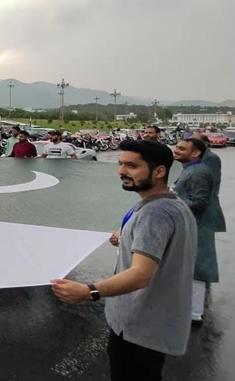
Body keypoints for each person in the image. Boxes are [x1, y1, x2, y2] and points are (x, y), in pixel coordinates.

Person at [52, 140, 197, 381]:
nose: (121, 171)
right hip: (154, 326)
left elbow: (141, 274)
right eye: (120, 164)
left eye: (132, 165)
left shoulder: (155, 213)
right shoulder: (173, 204)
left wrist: (88, 291)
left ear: (159, 171)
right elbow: (165, 248)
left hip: (139, 329)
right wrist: (127, 239)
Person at [172, 138, 217, 323]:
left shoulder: (197, 172)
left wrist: (171, 200)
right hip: (191, 224)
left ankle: (194, 312)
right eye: (176, 147)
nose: (176, 150)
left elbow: (198, 203)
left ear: (196, 153)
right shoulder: (190, 169)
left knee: (196, 268)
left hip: (197, 225)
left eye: (182, 149)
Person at [192, 133, 227, 234]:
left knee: (205, 241)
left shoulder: (211, 158)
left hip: (205, 204)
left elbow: (211, 181)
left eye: (195, 141)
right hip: (196, 203)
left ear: (206, 144)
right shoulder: (195, 157)